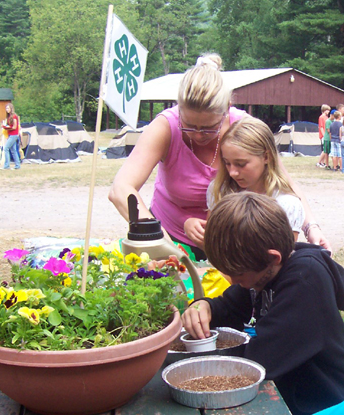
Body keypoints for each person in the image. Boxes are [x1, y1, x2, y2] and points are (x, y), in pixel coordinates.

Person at [108, 53, 331, 259]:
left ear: (227, 109)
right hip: (170, 234)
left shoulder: (244, 128)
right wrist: (159, 240)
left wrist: (311, 227)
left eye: (208, 127)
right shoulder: (165, 127)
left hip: (231, 246)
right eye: (189, 125)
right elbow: (121, 189)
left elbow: (282, 181)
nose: (198, 135)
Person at [181, 192, 344, 415]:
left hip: (323, 402)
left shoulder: (304, 279)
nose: (233, 281)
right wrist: (204, 306)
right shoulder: (263, 271)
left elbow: (258, 362)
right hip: (289, 391)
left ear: (273, 257)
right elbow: (229, 307)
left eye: (238, 274)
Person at [184, 116, 304, 249]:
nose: (232, 172)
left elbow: (283, 256)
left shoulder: (286, 204)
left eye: (241, 164)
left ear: (266, 156)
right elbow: (212, 245)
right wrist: (191, 226)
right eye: (227, 163)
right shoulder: (220, 190)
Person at [1, 103, 21, 170]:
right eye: (6, 108)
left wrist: (6, 127)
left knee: (6, 148)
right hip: (10, 134)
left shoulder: (14, 116)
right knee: (13, 150)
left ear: (11, 108)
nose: (7, 109)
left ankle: (6, 165)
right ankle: (17, 165)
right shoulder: (9, 116)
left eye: (8, 108)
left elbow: (14, 127)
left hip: (14, 135)